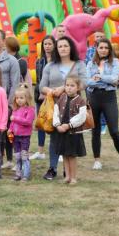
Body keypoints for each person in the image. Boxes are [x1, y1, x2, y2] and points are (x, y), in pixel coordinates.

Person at [38, 36, 87, 181]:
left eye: (66, 46)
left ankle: (69, 172)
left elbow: (84, 83)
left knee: (70, 138)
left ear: (71, 47)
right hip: (55, 107)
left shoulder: (79, 64)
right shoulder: (50, 66)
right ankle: (52, 168)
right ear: (56, 49)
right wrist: (52, 91)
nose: (63, 48)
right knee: (54, 138)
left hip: (73, 107)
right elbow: (42, 86)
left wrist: (63, 88)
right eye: (60, 46)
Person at [86, 38, 119, 171]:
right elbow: (87, 82)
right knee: (95, 131)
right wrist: (106, 80)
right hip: (93, 97)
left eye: (106, 48)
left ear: (109, 50)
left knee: (114, 131)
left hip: (109, 98)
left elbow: (115, 79)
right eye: (101, 47)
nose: (103, 50)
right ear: (97, 49)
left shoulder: (115, 62)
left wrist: (99, 77)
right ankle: (97, 161)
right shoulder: (91, 63)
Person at [53, 76, 87, 185]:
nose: (69, 88)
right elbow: (56, 112)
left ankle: (73, 177)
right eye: (67, 85)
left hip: (73, 133)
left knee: (72, 155)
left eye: (72, 85)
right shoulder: (62, 98)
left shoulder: (81, 101)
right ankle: (67, 176)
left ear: (78, 87)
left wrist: (69, 125)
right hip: (62, 131)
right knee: (64, 154)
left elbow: (81, 117)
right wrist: (57, 125)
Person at [30, 35, 55, 160]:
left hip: (54, 94)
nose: (47, 46)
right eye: (45, 44)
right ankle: (40, 151)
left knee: (54, 122)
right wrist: (40, 92)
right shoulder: (39, 61)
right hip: (40, 95)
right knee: (41, 122)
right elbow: (39, 80)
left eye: (50, 44)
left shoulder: (57, 61)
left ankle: (57, 151)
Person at [9, 84, 35, 181]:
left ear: (27, 98)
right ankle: (18, 174)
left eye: (21, 98)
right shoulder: (15, 110)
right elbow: (12, 123)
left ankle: (26, 174)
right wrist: (10, 129)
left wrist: (15, 118)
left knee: (24, 155)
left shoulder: (30, 110)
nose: (19, 100)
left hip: (25, 137)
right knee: (17, 156)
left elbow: (28, 122)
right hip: (16, 137)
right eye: (17, 98)